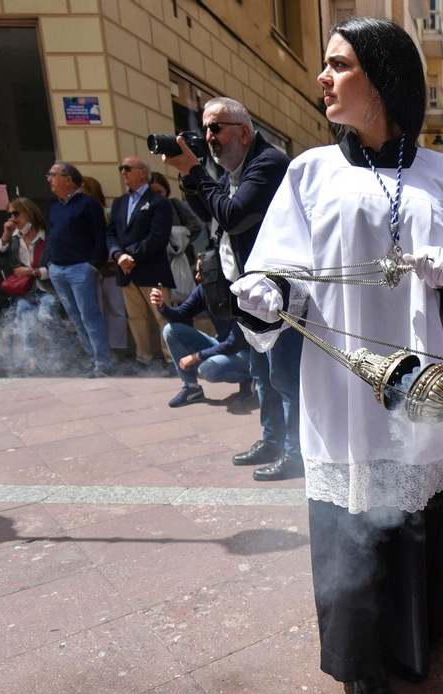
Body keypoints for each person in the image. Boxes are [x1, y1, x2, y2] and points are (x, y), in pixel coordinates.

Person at [231, 16, 443, 694]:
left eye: (340, 64)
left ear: (382, 78)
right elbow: (279, 266)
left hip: (422, 377)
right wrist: (268, 292)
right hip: (342, 381)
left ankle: (414, 636)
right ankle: (359, 660)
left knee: (412, 499)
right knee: (352, 510)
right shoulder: (309, 172)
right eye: (325, 63)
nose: (323, 78)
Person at [163, 95, 299, 477]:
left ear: (243, 131)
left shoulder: (268, 163)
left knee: (284, 376)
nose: (209, 136)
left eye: (215, 127)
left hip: (278, 293)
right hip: (248, 293)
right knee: (262, 374)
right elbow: (211, 210)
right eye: (206, 128)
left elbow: (234, 216)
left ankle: (296, 454)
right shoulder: (233, 171)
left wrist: (196, 170)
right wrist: (188, 175)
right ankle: (272, 441)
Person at [107, 157, 175, 368]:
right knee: (135, 317)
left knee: (163, 316)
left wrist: (132, 257)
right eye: (122, 168)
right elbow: (110, 234)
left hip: (151, 269)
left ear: (143, 172)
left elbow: (158, 237)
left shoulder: (159, 202)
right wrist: (119, 255)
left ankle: (172, 358)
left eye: (128, 168)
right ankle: (144, 359)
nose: (123, 172)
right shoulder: (119, 203)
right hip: (126, 270)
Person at [45, 161, 112, 376]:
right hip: (58, 270)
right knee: (75, 317)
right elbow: (52, 236)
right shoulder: (55, 208)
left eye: (53, 175)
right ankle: (93, 359)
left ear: (68, 179)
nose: (49, 179)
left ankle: (102, 362)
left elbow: (100, 237)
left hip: (80, 270)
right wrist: (50, 263)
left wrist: (93, 265)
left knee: (89, 316)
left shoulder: (88, 204)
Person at [153, 263, 253, 408]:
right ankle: (192, 388)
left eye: (202, 272)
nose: (197, 276)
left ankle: (249, 376)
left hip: (247, 353)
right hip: (222, 344)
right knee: (171, 330)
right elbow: (180, 315)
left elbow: (233, 344)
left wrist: (196, 356)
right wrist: (162, 306)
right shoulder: (204, 290)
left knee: (207, 370)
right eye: (196, 271)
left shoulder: (240, 293)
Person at [0, 196, 62, 374]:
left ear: (29, 212)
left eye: (16, 213)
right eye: (9, 214)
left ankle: (58, 356)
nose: (13, 218)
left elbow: (58, 266)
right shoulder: (13, 239)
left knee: (46, 314)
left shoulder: (47, 236)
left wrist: (33, 272)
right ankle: (33, 357)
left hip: (48, 288)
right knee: (25, 317)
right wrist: (5, 237)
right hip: (25, 291)